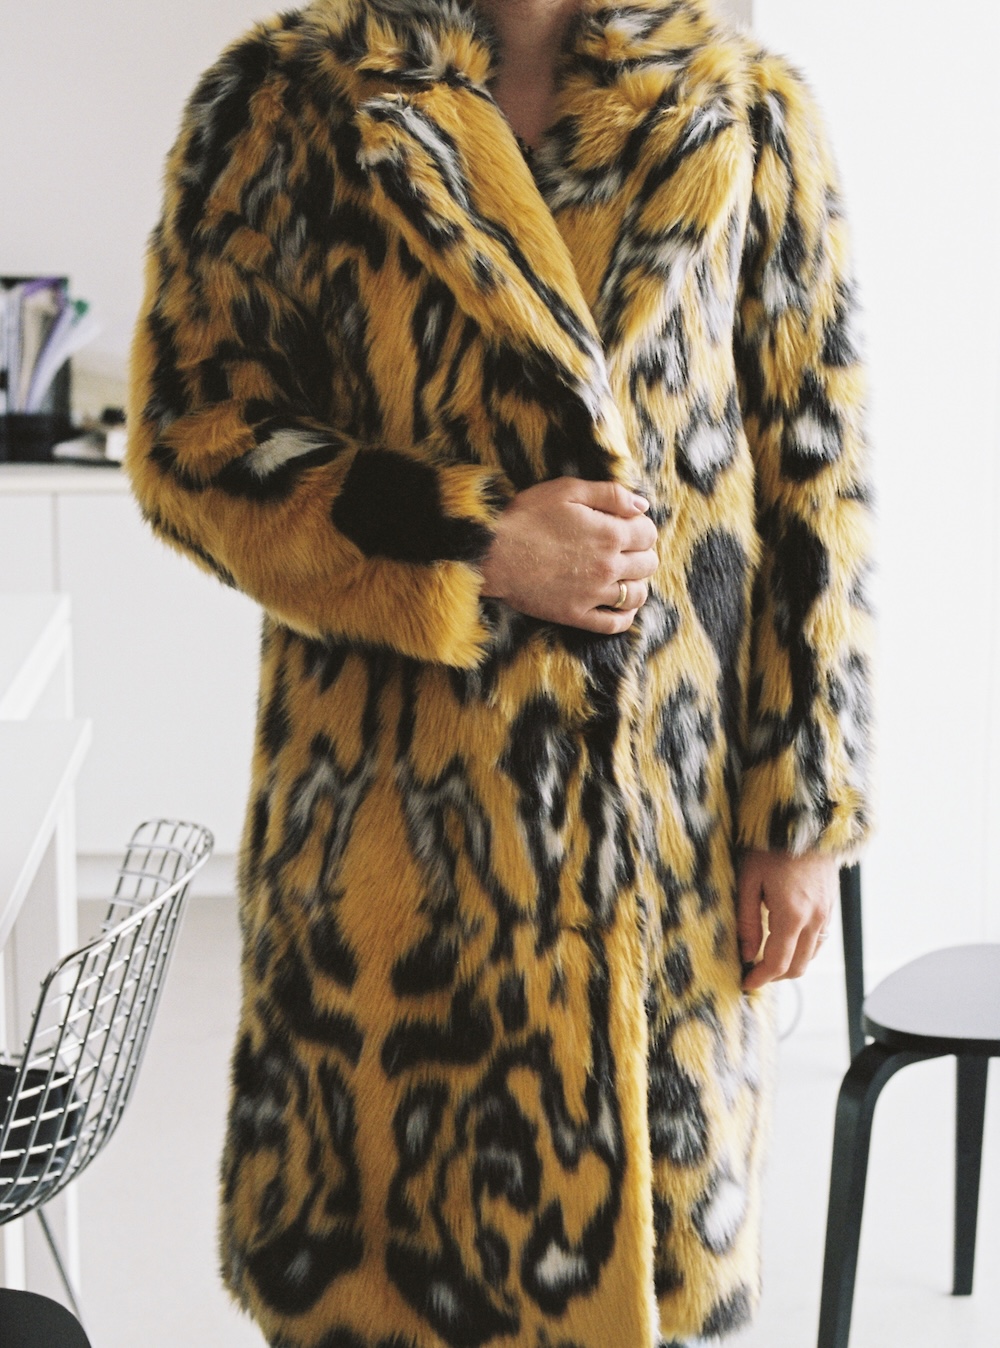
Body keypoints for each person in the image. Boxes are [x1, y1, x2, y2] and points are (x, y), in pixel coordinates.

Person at [124, 0, 876, 1344]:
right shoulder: (287, 100)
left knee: (644, 1279)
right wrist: (470, 542)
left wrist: (802, 815)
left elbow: (816, 483)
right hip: (387, 853)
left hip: (665, 839)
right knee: (389, 1296)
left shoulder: (749, 113)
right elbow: (192, 441)